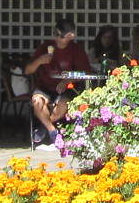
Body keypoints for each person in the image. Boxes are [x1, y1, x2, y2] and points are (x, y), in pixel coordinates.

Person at [25, 18, 92, 147]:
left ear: (71, 36)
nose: (57, 39)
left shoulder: (76, 50)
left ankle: (44, 127)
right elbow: (28, 70)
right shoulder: (45, 47)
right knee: (37, 102)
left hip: (66, 89)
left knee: (63, 104)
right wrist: (39, 61)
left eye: (61, 36)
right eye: (55, 35)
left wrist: (66, 81)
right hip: (44, 86)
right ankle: (52, 130)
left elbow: (84, 73)